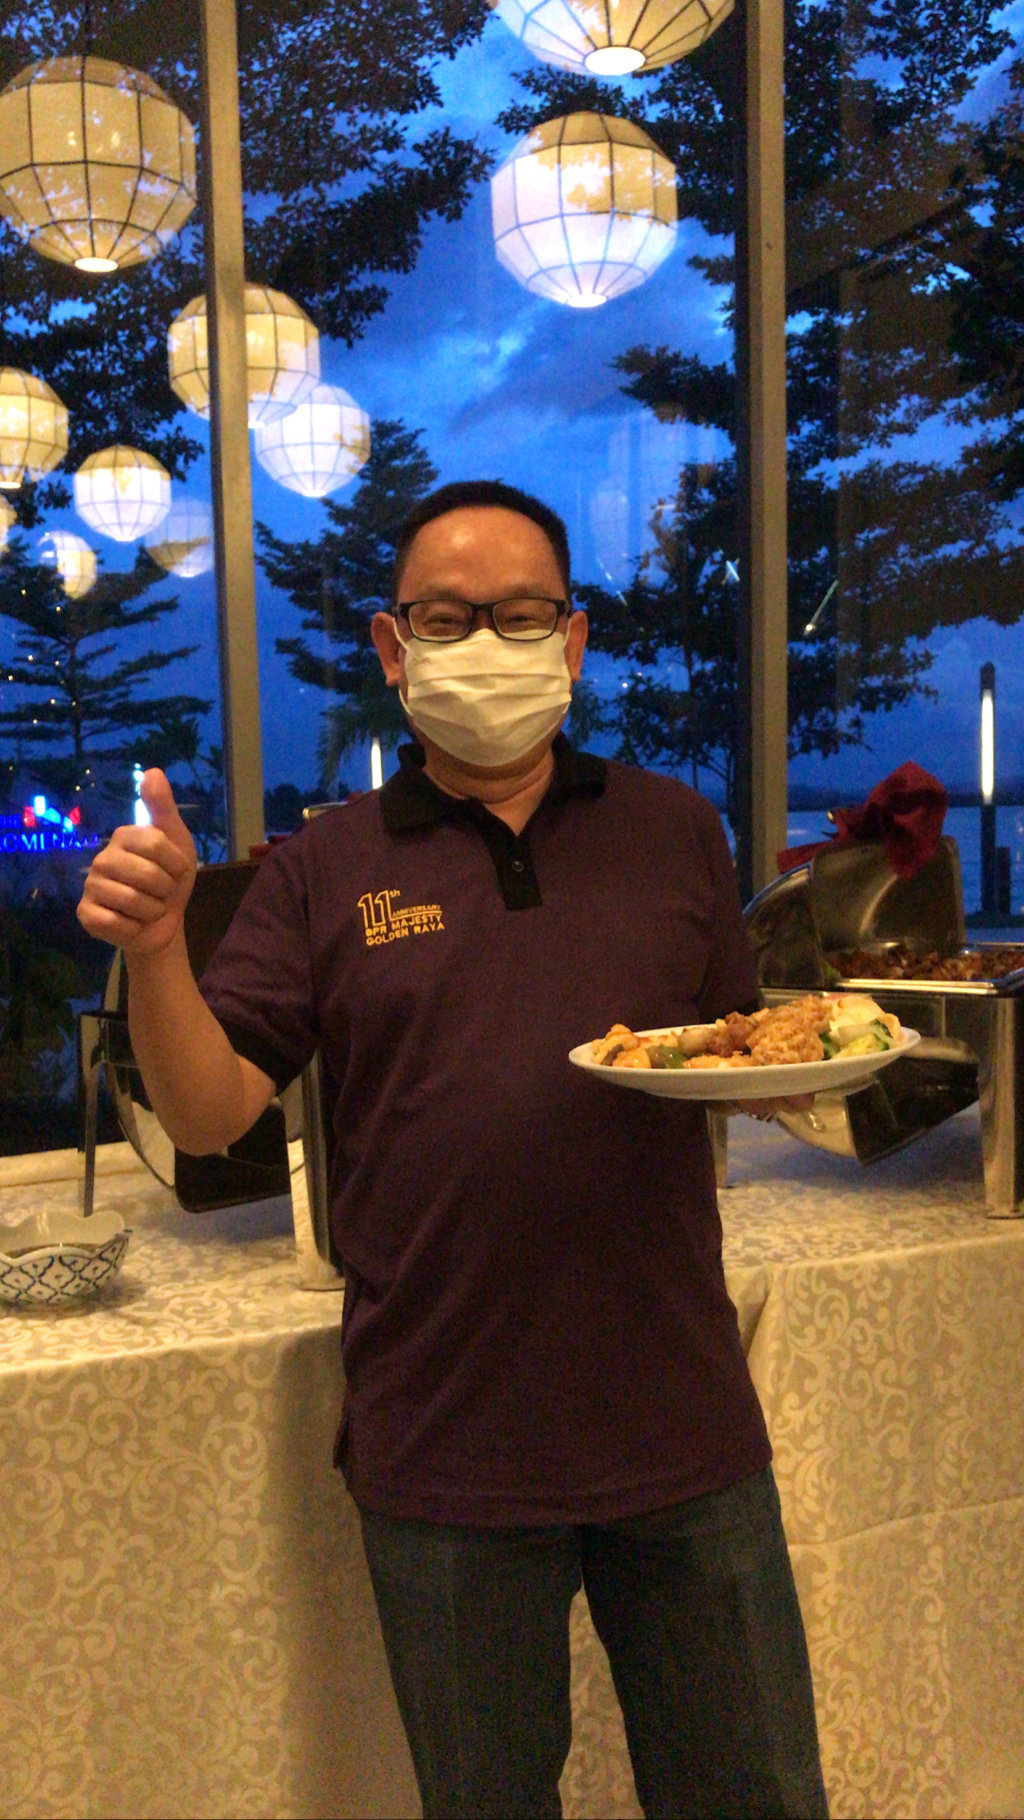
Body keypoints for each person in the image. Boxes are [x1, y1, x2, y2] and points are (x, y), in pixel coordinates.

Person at [77, 479, 828, 1820]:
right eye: (446, 617)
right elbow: (209, 1116)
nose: (488, 642)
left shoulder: (675, 831)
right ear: (392, 645)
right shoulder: (322, 868)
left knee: (753, 1793)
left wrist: (822, 1073)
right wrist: (157, 951)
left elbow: (729, 1057)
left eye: (523, 615)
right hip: (445, 1444)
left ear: (574, 641)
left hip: (684, 1421)